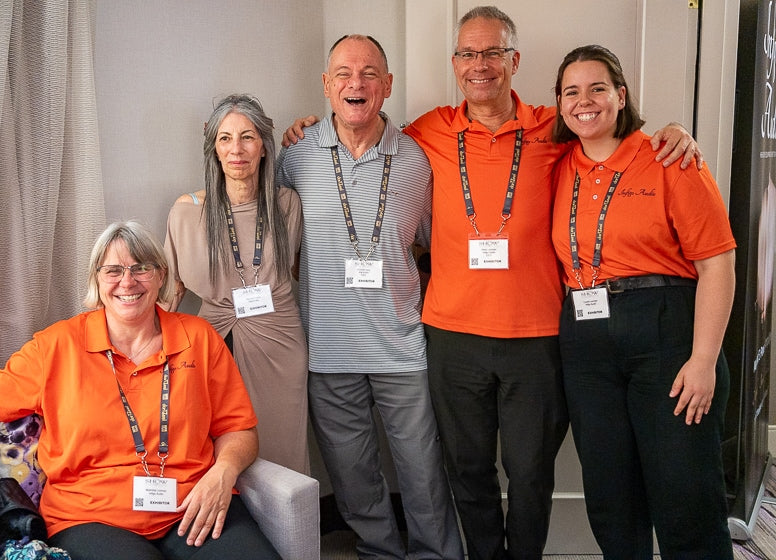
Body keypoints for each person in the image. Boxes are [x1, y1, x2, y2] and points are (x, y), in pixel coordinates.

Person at [282, 8, 700, 559]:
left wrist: (669, 132)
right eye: (468, 54)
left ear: (514, 60)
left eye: (493, 53)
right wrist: (301, 129)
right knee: (467, 471)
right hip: (452, 337)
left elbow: (607, 129)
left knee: (529, 475)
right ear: (455, 64)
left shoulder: (554, 125)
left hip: (537, 336)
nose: (480, 65)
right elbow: (359, 148)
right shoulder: (427, 132)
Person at [0, 221, 280, 560]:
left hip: (194, 505)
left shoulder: (200, 338)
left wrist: (223, 472)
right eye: (112, 270)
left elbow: (238, 428)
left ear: (161, 276)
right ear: (96, 280)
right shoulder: (54, 347)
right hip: (90, 518)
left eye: (141, 267)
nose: (127, 281)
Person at [276, 35, 463, 560]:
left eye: (368, 73)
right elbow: (281, 245)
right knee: (352, 473)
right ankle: (380, 551)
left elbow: (434, 243)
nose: (355, 84)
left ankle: (437, 554)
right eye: (343, 73)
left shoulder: (416, 159)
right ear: (326, 85)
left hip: (402, 344)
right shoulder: (297, 156)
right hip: (328, 346)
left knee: (422, 470)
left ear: (387, 84)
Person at [551, 44, 735, 558]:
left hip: (666, 333)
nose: (584, 101)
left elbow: (717, 263)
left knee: (685, 494)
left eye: (597, 88)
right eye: (571, 91)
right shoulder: (557, 162)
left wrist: (703, 361)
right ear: (560, 104)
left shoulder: (668, 157)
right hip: (586, 343)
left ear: (621, 95)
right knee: (611, 496)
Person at [164, 94, 309, 475]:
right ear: (213, 147)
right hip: (213, 344)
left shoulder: (287, 204)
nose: (236, 149)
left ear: (264, 145)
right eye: (225, 138)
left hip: (281, 343)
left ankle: (290, 531)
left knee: (284, 454)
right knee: (220, 452)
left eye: (247, 137)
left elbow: (300, 271)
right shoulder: (186, 211)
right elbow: (168, 297)